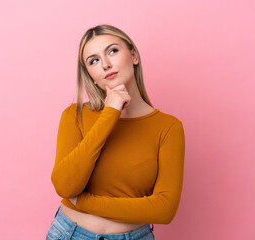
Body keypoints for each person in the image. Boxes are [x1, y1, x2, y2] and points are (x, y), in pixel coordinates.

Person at [46, 24, 185, 240]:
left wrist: (83, 201)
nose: (106, 64)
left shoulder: (168, 127)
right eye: (93, 61)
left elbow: (164, 209)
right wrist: (110, 112)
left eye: (112, 51)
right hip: (70, 234)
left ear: (134, 56)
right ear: (91, 75)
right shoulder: (75, 115)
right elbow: (65, 186)